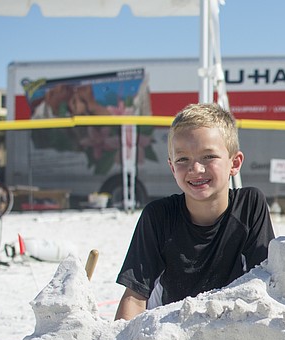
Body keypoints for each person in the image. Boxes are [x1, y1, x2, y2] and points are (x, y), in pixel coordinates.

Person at [115, 103, 275, 320]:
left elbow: (265, 285)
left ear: (234, 163)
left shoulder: (249, 205)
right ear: (172, 167)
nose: (196, 169)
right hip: (166, 332)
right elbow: (134, 296)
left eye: (208, 156)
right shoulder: (158, 217)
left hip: (229, 331)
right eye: (183, 159)